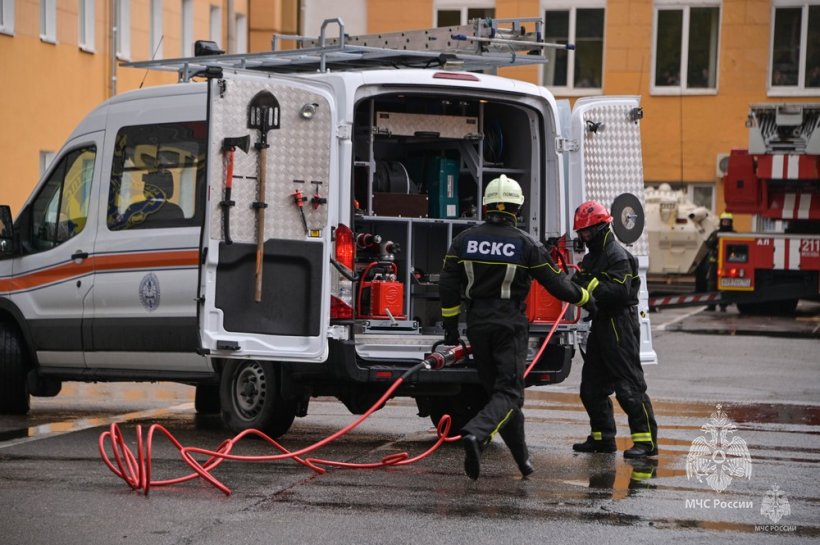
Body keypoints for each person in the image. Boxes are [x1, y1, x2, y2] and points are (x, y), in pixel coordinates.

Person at [438, 175, 596, 480]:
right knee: (510, 394)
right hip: (509, 325)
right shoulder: (525, 244)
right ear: (517, 207)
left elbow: (448, 287)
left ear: (485, 205)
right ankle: (476, 433)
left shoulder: (463, 241)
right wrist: (587, 297)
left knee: (501, 395)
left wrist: (450, 330)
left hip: (477, 325)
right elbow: (557, 285)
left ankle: (523, 461)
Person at [570, 200, 658, 459]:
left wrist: (590, 283)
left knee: (629, 387)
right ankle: (602, 437)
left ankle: (646, 442)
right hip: (601, 323)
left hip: (619, 323)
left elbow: (618, 293)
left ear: (600, 228)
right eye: (580, 233)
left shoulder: (618, 256)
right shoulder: (592, 256)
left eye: (586, 232)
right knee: (591, 388)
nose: (583, 237)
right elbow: (580, 283)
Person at [705, 212, 734, 311]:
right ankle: (711, 305)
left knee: (725, 284)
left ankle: (723, 306)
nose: (725, 223)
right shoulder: (715, 233)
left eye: (727, 222)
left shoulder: (734, 234)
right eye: (724, 221)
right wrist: (715, 240)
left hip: (728, 264)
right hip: (715, 262)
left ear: (731, 223)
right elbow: (707, 244)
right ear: (721, 222)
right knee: (712, 284)